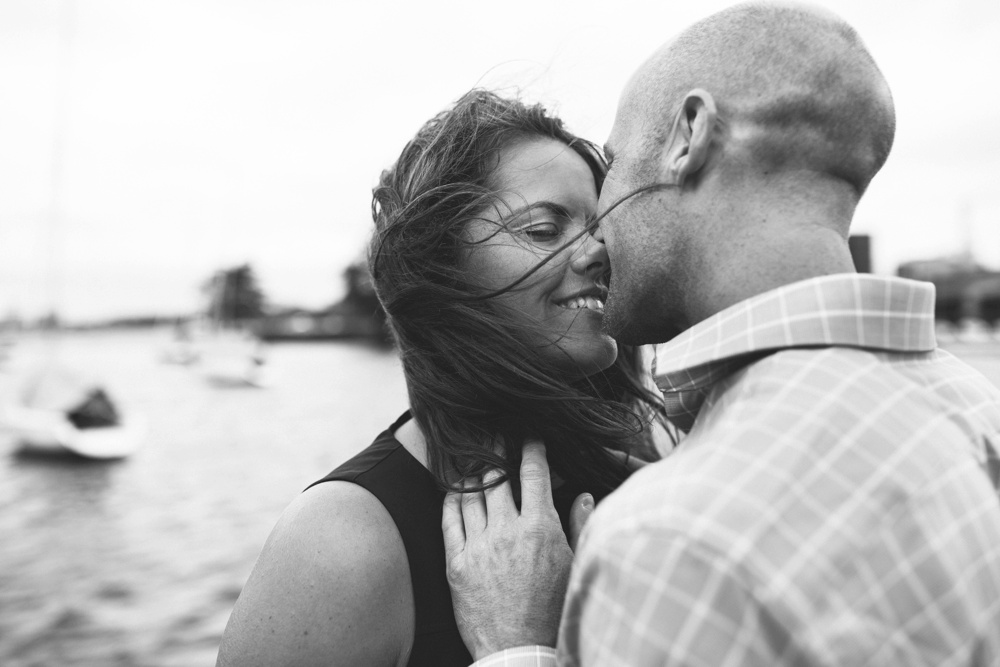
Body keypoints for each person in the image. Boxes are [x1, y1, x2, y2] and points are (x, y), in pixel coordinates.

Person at [443, 3, 1000, 665]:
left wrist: (518, 649)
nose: (597, 235)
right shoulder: (974, 407)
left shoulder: (672, 538)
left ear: (689, 136)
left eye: (615, 163)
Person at [215, 89, 670, 667]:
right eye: (543, 229)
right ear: (438, 269)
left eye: (600, 227)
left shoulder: (644, 489)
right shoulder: (341, 544)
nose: (599, 252)